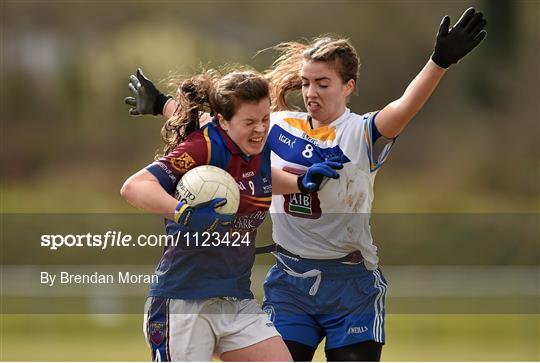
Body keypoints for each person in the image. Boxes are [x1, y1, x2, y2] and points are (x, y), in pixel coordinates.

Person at [125, 7, 487, 361]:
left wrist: (439, 61)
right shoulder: (276, 125)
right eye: (306, 83)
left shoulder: (359, 133)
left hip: (351, 281)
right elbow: (221, 124)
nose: (311, 92)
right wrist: (162, 104)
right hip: (290, 281)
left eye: (323, 83)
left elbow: (405, 107)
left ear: (349, 86)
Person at [121, 69, 297, 361]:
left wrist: (301, 182)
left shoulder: (255, 144)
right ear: (224, 121)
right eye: (250, 121)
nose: (261, 128)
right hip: (182, 300)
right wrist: (184, 213)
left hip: (234, 298)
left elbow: (260, 177)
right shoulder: (203, 145)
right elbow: (135, 187)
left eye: (266, 119)